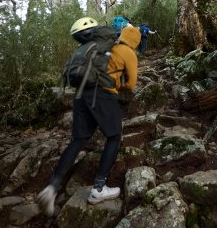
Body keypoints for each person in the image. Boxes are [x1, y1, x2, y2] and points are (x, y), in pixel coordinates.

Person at [36, 17, 140, 215]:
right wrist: (118, 84)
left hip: (80, 94)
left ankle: (52, 188)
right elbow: (131, 84)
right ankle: (99, 189)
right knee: (114, 137)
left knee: (79, 139)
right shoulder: (126, 51)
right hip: (101, 95)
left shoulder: (94, 47)